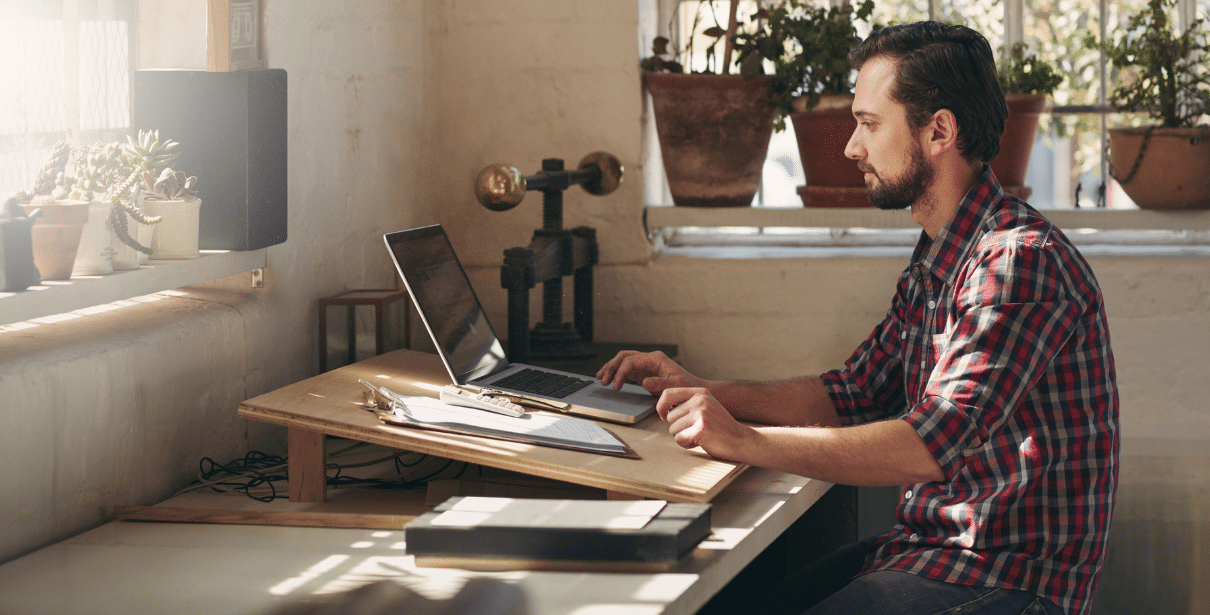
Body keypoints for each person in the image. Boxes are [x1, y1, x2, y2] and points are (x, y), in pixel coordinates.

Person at [597, 21, 1118, 615]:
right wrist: (706, 391)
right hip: (932, 552)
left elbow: (928, 446)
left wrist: (742, 440)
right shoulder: (944, 252)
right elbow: (854, 393)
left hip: (1009, 578)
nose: (851, 147)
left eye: (869, 124)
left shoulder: (1018, 263)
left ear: (939, 130)